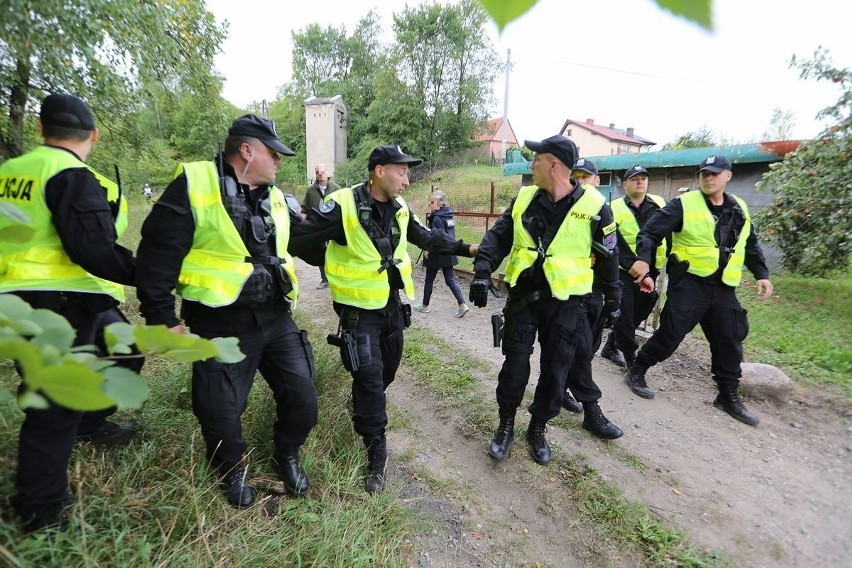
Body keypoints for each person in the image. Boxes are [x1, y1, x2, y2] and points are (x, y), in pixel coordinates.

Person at [135, 114, 320, 508]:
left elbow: (302, 239)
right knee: (220, 411)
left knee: (302, 395)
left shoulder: (273, 197)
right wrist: (162, 319)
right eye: (274, 153)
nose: (279, 162)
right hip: (219, 322)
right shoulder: (195, 183)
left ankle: (286, 452)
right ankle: (231, 469)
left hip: (274, 317)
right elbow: (155, 255)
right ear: (247, 151)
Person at [290, 145, 478, 493]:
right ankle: (376, 452)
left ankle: (365, 406)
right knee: (371, 379)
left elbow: (427, 237)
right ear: (379, 171)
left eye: (408, 172)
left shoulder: (401, 208)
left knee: (386, 371)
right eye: (401, 171)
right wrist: (328, 260)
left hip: (391, 307)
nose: (407, 179)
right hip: (357, 312)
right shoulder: (343, 204)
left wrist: (466, 249)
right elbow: (299, 239)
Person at [0, 93, 140, 532]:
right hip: (50, 306)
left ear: (42, 130)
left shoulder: (9, 172)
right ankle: (39, 515)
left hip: (55, 299)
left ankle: (91, 423)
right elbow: (93, 250)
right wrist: (152, 273)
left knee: (128, 352)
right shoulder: (70, 175)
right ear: (93, 136)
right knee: (53, 409)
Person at [469, 135, 621, 465]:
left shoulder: (595, 207)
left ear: (553, 165)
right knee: (515, 366)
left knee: (556, 370)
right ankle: (505, 425)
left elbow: (610, 256)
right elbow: (498, 237)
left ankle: (537, 429)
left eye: (536, 159)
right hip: (524, 298)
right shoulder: (523, 199)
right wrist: (482, 270)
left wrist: (613, 300)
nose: (531, 164)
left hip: (567, 305)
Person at [625, 155, 773, 426]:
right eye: (704, 173)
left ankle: (727, 394)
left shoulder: (738, 207)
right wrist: (644, 259)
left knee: (729, 339)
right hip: (690, 283)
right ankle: (638, 368)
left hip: (724, 286)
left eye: (715, 173)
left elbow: (749, 244)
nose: (708, 177)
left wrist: (761, 274)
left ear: (728, 175)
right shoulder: (683, 204)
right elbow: (649, 233)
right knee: (671, 333)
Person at [554, 158, 623, 440]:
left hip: (594, 292)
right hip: (568, 293)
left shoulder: (600, 210)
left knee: (588, 346)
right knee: (579, 349)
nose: (581, 181)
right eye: (576, 176)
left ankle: (559, 390)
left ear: (597, 180)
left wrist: (613, 296)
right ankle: (591, 409)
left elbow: (612, 252)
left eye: (587, 176)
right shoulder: (560, 207)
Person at [599, 165, 667, 369]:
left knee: (644, 307)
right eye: (634, 178)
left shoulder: (660, 204)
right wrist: (633, 267)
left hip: (651, 270)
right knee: (625, 312)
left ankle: (610, 346)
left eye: (643, 178)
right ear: (625, 183)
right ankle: (631, 358)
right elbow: (612, 241)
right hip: (623, 270)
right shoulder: (613, 207)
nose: (640, 181)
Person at [412, 189, 470, 318]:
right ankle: (462, 305)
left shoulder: (437, 218)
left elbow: (437, 238)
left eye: (432, 202)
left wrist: (427, 249)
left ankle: (424, 306)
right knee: (450, 279)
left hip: (437, 254)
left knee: (429, 280)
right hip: (450, 252)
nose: (430, 204)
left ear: (440, 203)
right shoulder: (448, 216)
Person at [301, 163, 341, 288]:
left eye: (322, 171)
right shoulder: (311, 191)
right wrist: (302, 220)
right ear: (316, 174)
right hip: (317, 227)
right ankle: (325, 280)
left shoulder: (336, 189)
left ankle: (336, 278)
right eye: (317, 172)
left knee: (336, 253)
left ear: (327, 173)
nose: (320, 174)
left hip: (334, 227)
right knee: (321, 253)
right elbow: (304, 209)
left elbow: (345, 205)